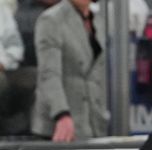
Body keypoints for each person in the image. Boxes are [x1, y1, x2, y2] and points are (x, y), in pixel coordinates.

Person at [31, 0, 108, 141]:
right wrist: (62, 114)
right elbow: (49, 74)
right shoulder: (51, 19)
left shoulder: (98, 20)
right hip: (59, 126)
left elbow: (97, 74)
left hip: (93, 124)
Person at [0, 2, 35, 135]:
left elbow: (15, 46)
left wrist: (3, 63)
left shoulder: (1, 10)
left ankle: (31, 133)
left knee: (35, 77)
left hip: (5, 68)